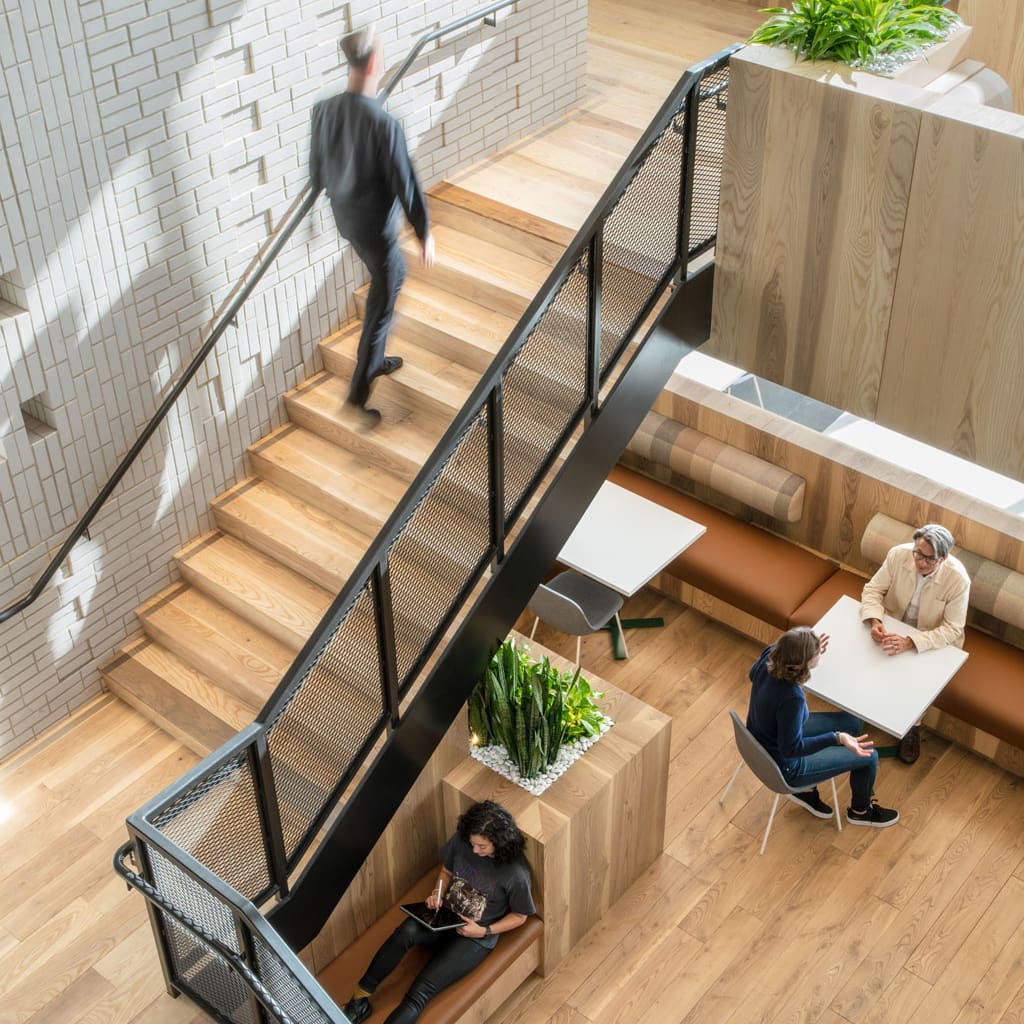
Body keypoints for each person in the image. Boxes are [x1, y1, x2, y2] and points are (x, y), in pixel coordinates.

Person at [309, 26, 435, 425]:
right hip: (374, 229)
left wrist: (315, 209)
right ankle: (359, 391)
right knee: (387, 286)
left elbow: (316, 169)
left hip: (344, 220)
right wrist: (424, 232)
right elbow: (405, 182)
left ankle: (375, 360)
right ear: (375, 63)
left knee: (385, 278)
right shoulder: (384, 124)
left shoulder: (324, 110)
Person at [341, 800, 535, 1024]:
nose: (474, 850)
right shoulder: (463, 841)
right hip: (444, 916)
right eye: (473, 844)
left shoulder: (516, 873)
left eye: (482, 847)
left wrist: (483, 931)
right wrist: (437, 894)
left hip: (473, 937)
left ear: (499, 842)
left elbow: (520, 916)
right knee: (405, 932)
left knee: (420, 992)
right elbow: (446, 871)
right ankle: (358, 1001)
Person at [746, 626, 900, 828]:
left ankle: (807, 791)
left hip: (761, 735)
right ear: (802, 664)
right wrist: (836, 738)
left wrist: (806, 647)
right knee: (869, 756)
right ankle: (861, 812)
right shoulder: (792, 698)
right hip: (787, 764)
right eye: (816, 651)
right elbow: (791, 749)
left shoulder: (772, 654)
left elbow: (753, 674)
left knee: (852, 723)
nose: (820, 650)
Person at [860, 523, 970, 762]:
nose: (921, 562)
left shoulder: (958, 579)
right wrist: (875, 620)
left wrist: (911, 642)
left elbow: (953, 628)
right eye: (918, 553)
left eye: (929, 559)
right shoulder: (898, 555)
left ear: (943, 558)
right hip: (893, 622)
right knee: (867, 654)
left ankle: (913, 725)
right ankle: (861, 707)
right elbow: (873, 590)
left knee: (921, 680)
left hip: (933, 637)